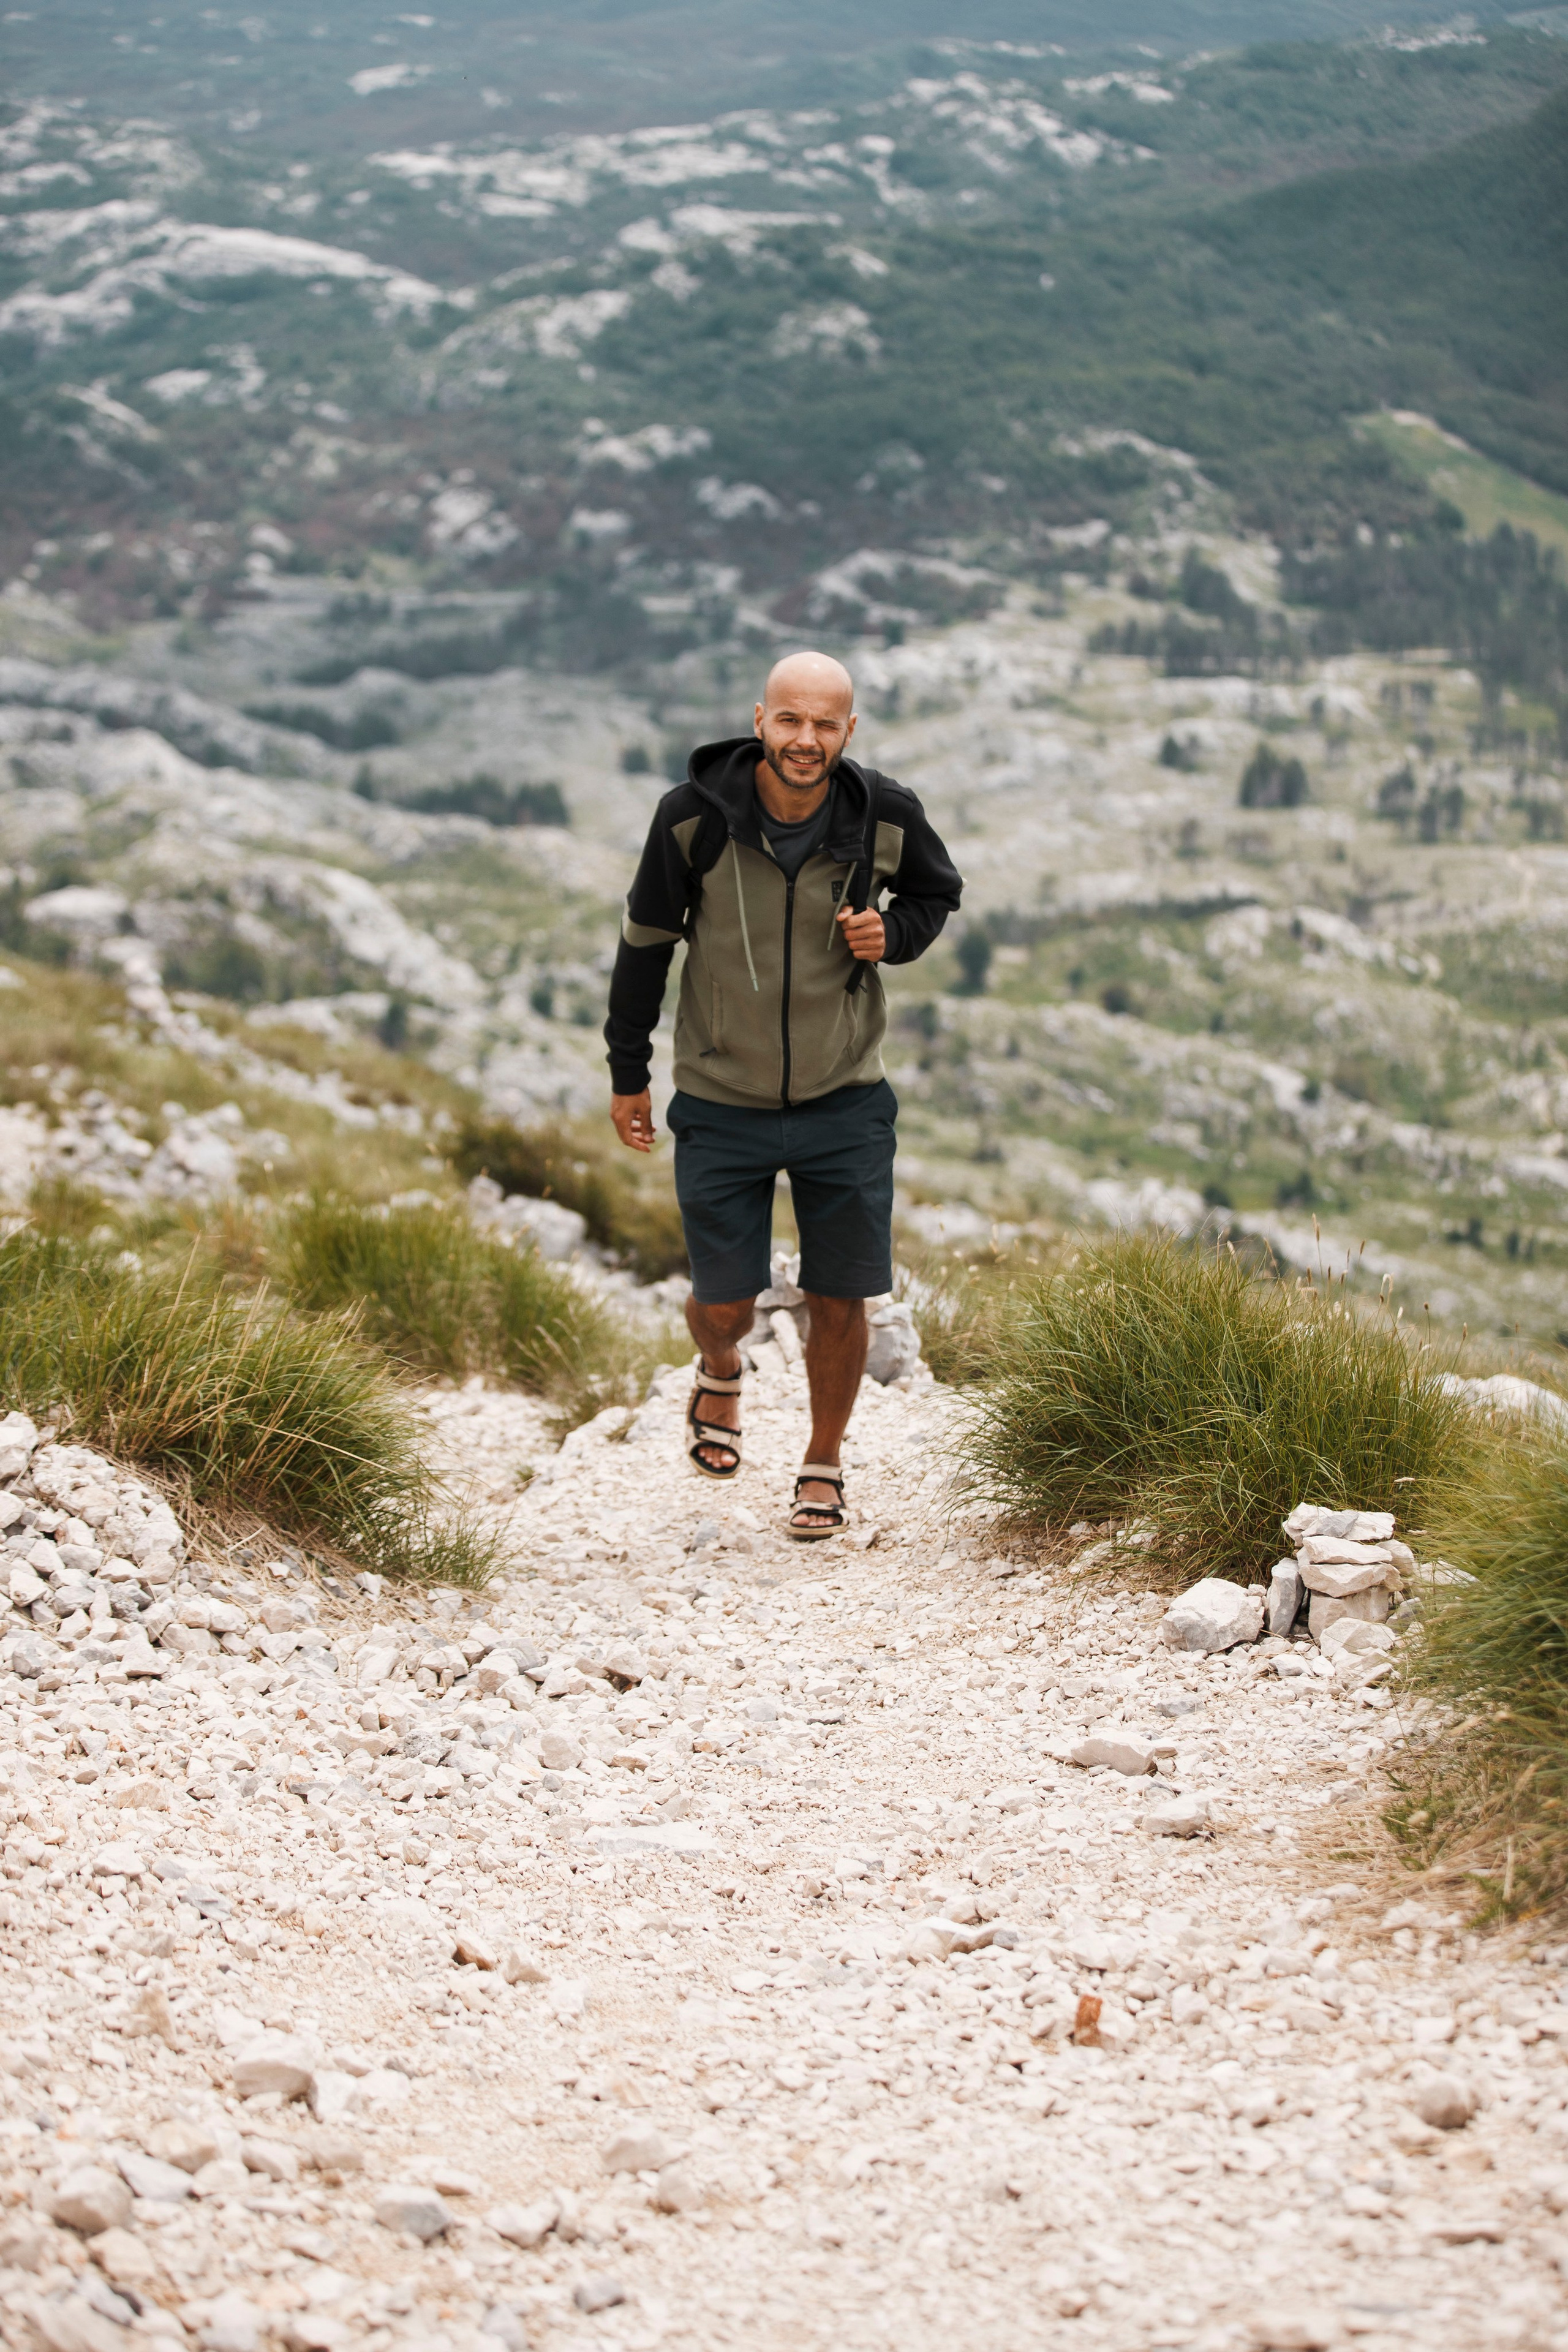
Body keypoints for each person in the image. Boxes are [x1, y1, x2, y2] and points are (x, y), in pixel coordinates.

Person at [604, 650, 963, 1537]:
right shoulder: (691, 819)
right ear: (761, 719)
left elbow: (936, 895)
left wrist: (895, 933)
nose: (808, 741)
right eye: (792, 721)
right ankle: (720, 1367)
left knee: (842, 1294)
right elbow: (647, 942)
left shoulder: (885, 812)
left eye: (826, 724)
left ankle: (823, 1461)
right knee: (725, 1299)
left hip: (845, 1096)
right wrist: (627, 1074)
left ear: (849, 731)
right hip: (723, 1096)